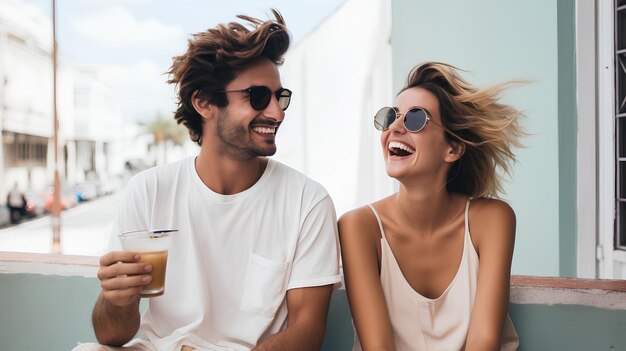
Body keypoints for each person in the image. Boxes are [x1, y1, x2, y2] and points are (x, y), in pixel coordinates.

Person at [78, 10, 341, 351]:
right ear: (204, 102)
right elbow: (111, 336)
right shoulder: (149, 191)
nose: (277, 112)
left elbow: (306, 332)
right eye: (258, 97)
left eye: (281, 97)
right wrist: (119, 299)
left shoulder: (307, 202)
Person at [338, 62, 523, 351]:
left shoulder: (492, 220)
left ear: (453, 149)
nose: (395, 128)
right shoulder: (359, 226)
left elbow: (483, 342)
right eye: (391, 117)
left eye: (415, 119)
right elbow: (378, 348)